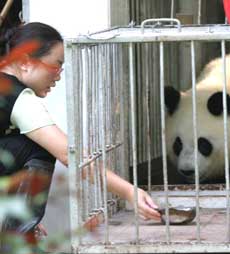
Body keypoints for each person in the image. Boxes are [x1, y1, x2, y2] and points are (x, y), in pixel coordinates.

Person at [0, 22, 160, 246]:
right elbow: (70, 155)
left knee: (19, 145)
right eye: (56, 66)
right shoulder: (18, 97)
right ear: (26, 62)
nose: (58, 76)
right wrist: (129, 192)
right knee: (37, 147)